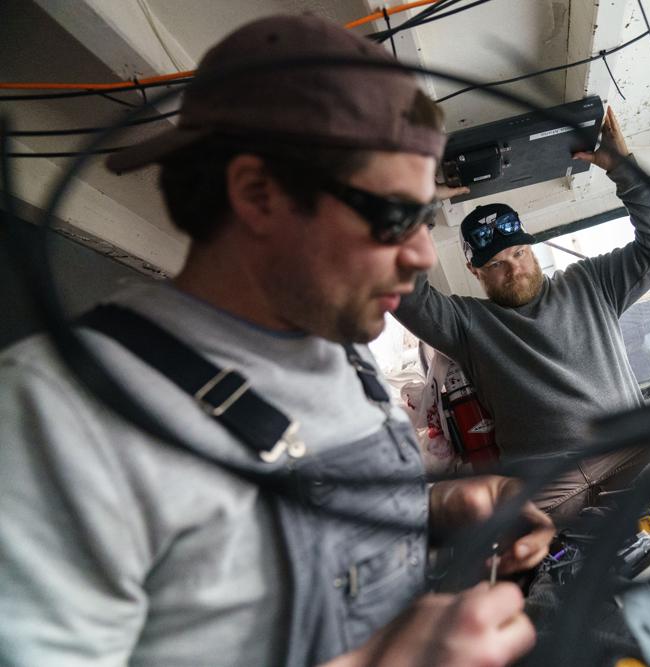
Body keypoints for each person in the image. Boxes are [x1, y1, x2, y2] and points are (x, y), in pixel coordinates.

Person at [0, 15, 553, 667]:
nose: (423, 253)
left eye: (426, 216)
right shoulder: (57, 414)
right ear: (258, 194)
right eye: (398, 215)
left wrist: (437, 508)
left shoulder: (342, 350)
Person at [394, 108, 650, 524]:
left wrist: (622, 169)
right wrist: (419, 204)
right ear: (476, 273)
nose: (513, 268)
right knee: (544, 569)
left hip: (626, 451)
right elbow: (405, 294)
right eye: (496, 263)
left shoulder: (591, 281)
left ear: (531, 247)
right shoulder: (467, 323)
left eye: (519, 252)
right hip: (545, 484)